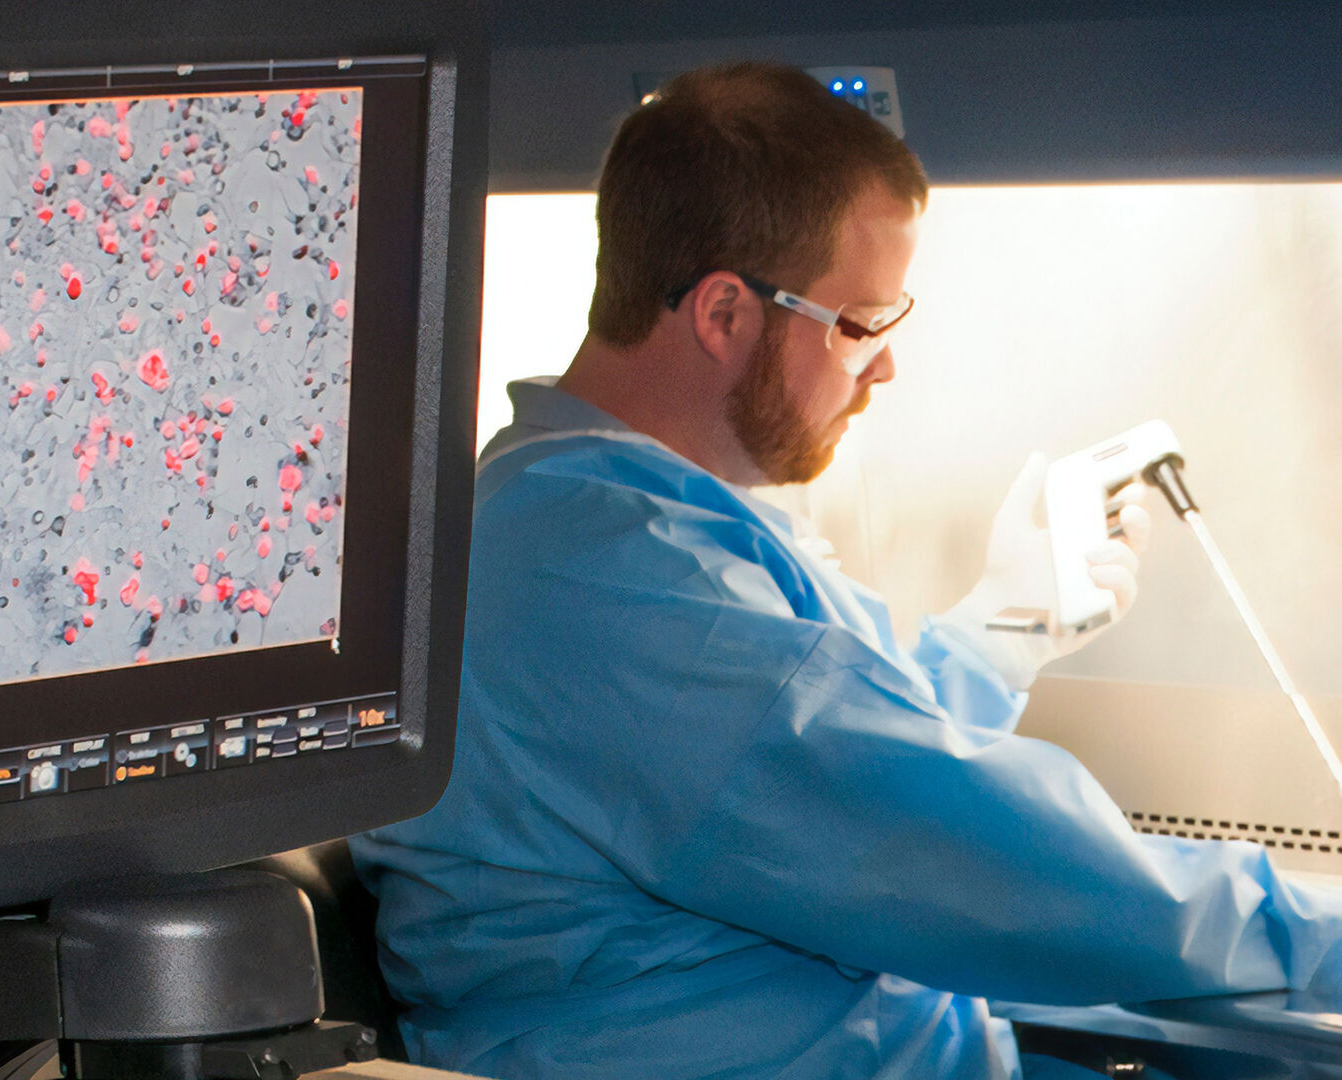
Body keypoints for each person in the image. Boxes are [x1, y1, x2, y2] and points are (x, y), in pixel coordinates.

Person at [348, 62, 1342, 1080]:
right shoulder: (601, 570)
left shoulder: (609, 515)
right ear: (725, 314)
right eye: (862, 325)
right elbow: (953, 853)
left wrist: (1004, 630)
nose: (887, 367)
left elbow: (828, 780)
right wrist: (1321, 947)